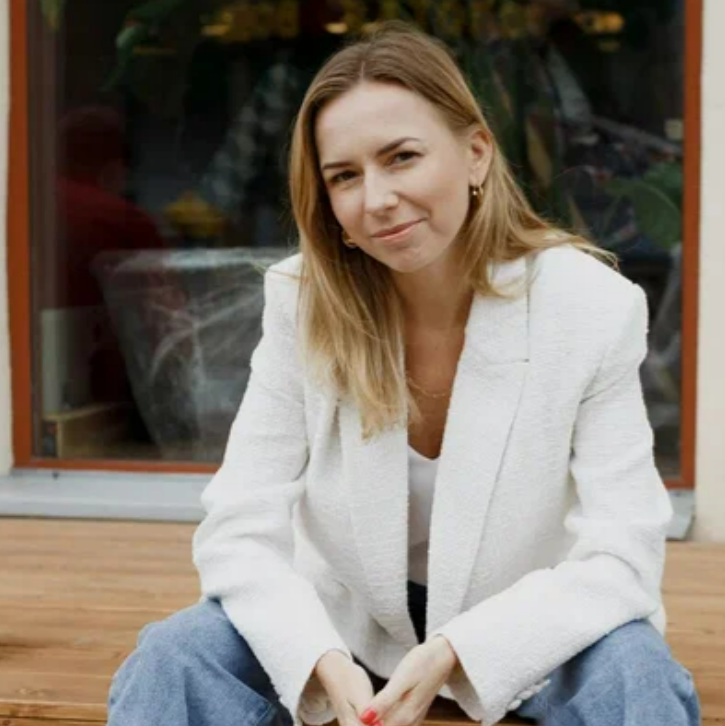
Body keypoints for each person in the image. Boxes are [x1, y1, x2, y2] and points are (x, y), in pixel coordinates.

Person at [106, 21, 700, 726]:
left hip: (530, 631)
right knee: (172, 656)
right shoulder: (302, 301)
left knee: (638, 675)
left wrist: (458, 650)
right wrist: (318, 658)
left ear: (476, 154)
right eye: (344, 176)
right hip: (344, 628)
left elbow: (622, 555)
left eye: (402, 158)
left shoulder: (589, 305)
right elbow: (238, 528)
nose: (377, 197)